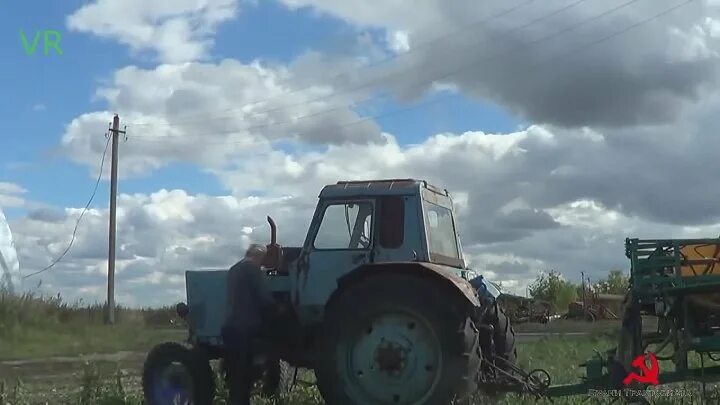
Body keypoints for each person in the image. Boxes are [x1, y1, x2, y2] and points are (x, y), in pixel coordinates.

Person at [222, 243, 276, 405]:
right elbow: (264, 299)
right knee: (245, 375)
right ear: (258, 256)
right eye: (263, 259)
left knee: (236, 376)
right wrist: (278, 309)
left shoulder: (234, 269)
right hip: (246, 328)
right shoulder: (253, 270)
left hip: (231, 327)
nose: (263, 263)